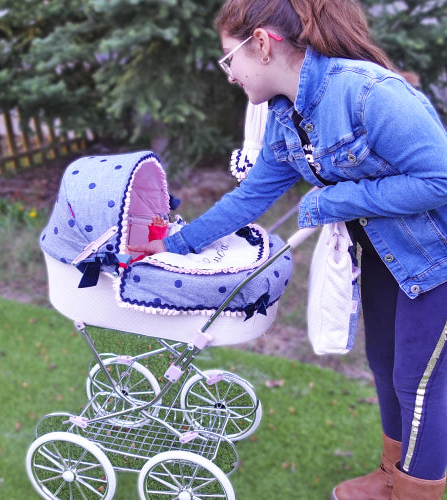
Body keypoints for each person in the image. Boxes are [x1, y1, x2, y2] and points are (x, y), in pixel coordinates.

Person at [129, 1, 447, 498]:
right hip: (389, 258)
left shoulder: (368, 92)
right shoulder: (287, 117)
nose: (229, 75)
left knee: (420, 383)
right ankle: (392, 475)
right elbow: (250, 197)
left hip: (438, 261)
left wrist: (337, 199)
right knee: (384, 364)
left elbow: (440, 178)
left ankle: (416, 492)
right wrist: (172, 246)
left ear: (261, 44)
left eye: (228, 59)